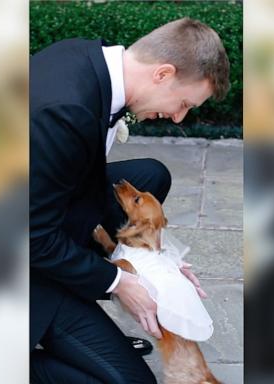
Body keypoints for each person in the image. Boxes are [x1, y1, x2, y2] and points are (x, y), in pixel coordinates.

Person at [30, 17, 230, 383]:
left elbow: (74, 184)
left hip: (35, 210)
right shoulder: (65, 113)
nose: (178, 116)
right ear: (162, 74)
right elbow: (32, 238)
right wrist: (117, 282)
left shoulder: (86, 57)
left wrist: (155, 264)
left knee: (150, 175)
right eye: (183, 102)